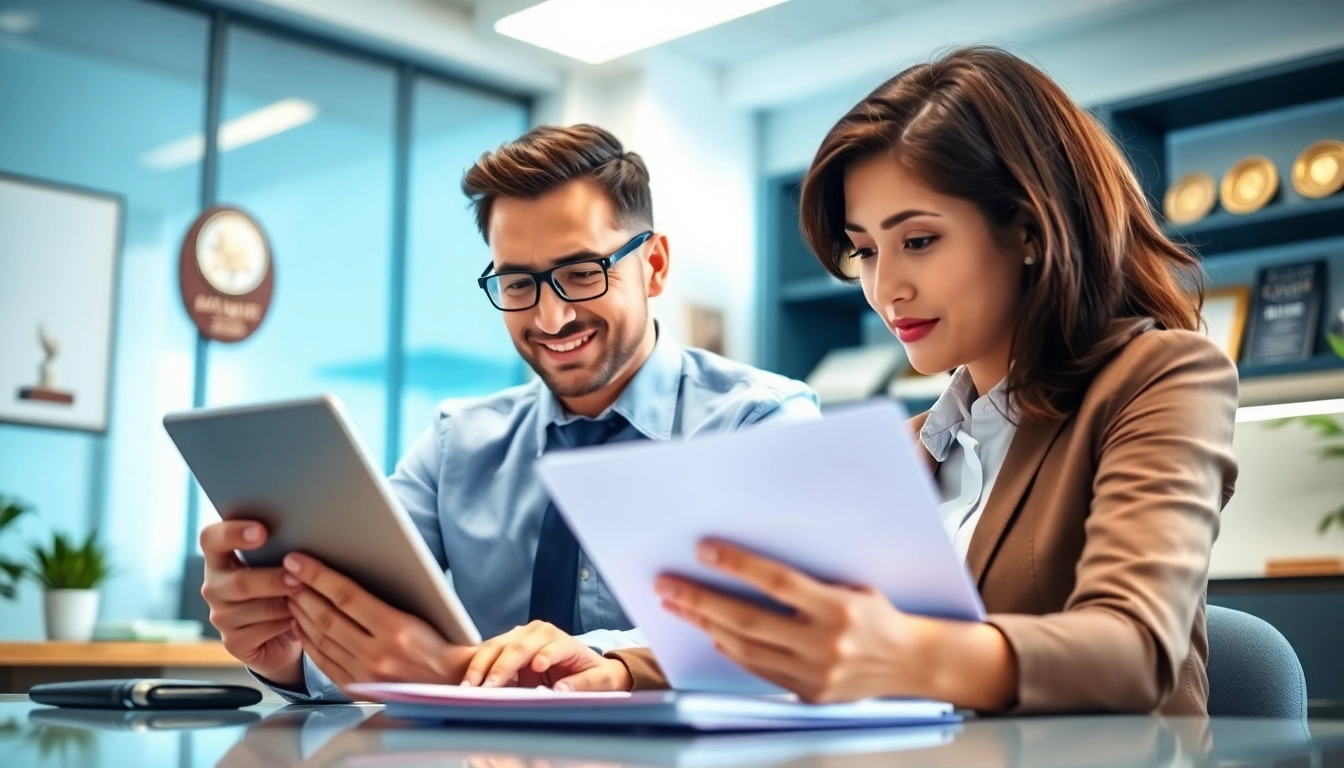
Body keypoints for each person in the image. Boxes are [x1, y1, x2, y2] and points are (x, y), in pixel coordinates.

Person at [610, 46, 1238, 715]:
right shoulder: (911, 444)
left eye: (918, 241)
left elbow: (1135, 651)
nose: (886, 290)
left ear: (1028, 230)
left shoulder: (1161, 377)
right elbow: (800, 628)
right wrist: (617, 669)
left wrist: (902, 652)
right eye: (867, 251)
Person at [197, 124, 820, 702]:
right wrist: (289, 656)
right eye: (519, 284)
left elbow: (800, 631)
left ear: (652, 265)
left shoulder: (761, 421)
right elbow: (376, 636)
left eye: (582, 273)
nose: (551, 319)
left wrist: (609, 664)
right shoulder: (454, 445)